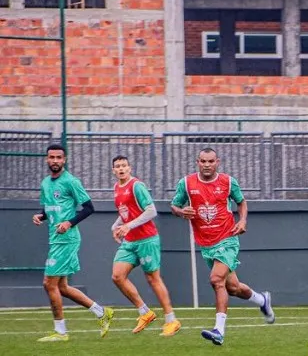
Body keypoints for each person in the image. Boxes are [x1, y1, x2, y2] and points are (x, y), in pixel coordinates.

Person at [170, 147, 274, 345]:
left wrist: (242, 221)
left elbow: (241, 202)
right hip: (205, 243)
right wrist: (181, 212)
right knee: (233, 288)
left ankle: (219, 330)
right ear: (197, 162)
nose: (207, 165)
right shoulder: (186, 183)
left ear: (217, 162)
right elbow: (174, 205)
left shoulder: (228, 182)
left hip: (227, 238)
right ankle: (262, 300)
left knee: (216, 280)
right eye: (203, 161)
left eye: (210, 161)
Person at [33, 144, 114, 341]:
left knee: (48, 283)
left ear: (64, 160)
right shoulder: (45, 183)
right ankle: (101, 312)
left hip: (66, 239)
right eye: (51, 157)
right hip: (55, 239)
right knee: (61, 287)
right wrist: (41, 216)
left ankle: (61, 332)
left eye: (58, 157)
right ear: (46, 159)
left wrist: (69, 223)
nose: (54, 161)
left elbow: (88, 208)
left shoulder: (71, 182)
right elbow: (51, 208)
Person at [110, 155, 181, 336]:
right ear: (113, 170)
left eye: (124, 166)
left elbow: (151, 211)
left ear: (130, 168)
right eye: (117, 166)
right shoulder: (117, 188)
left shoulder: (137, 186)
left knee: (153, 279)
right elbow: (126, 212)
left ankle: (171, 320)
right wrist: (116, 225)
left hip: (147, 239)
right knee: (117, 276)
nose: (121, 169)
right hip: (130, 241)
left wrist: (128, 226)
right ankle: (145, 312)